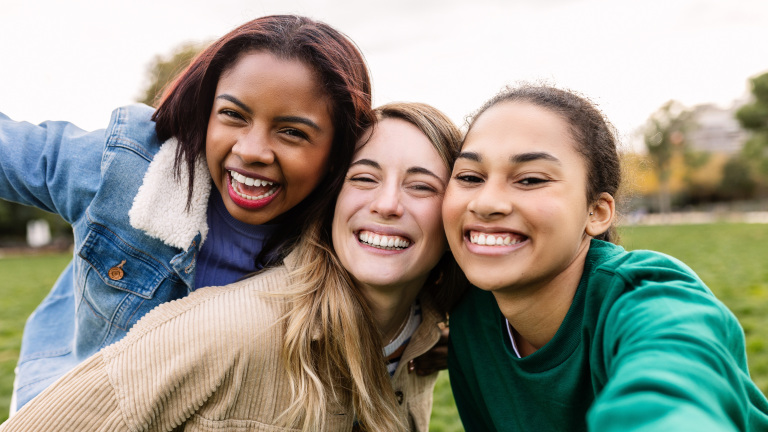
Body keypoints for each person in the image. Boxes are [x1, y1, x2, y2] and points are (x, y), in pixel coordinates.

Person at [0, 102, 468, 432]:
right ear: (331, 201)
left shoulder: (424, 337)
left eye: (422, 186)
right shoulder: (227, 330)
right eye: (363, 178)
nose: (387, 204)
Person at [0, 14, 374, 412]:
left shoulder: (354, 234)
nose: (251, 150)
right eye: (233, 114)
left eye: (292, 132)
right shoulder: (128, 170)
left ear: (338, 151)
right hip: (72, 410)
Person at [444, 84, 768, 431]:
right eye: (469, 177)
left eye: (531, 179)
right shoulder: (471, 318)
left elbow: (674, 380)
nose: (486, 202)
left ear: (596, 212)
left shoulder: (651, 298)